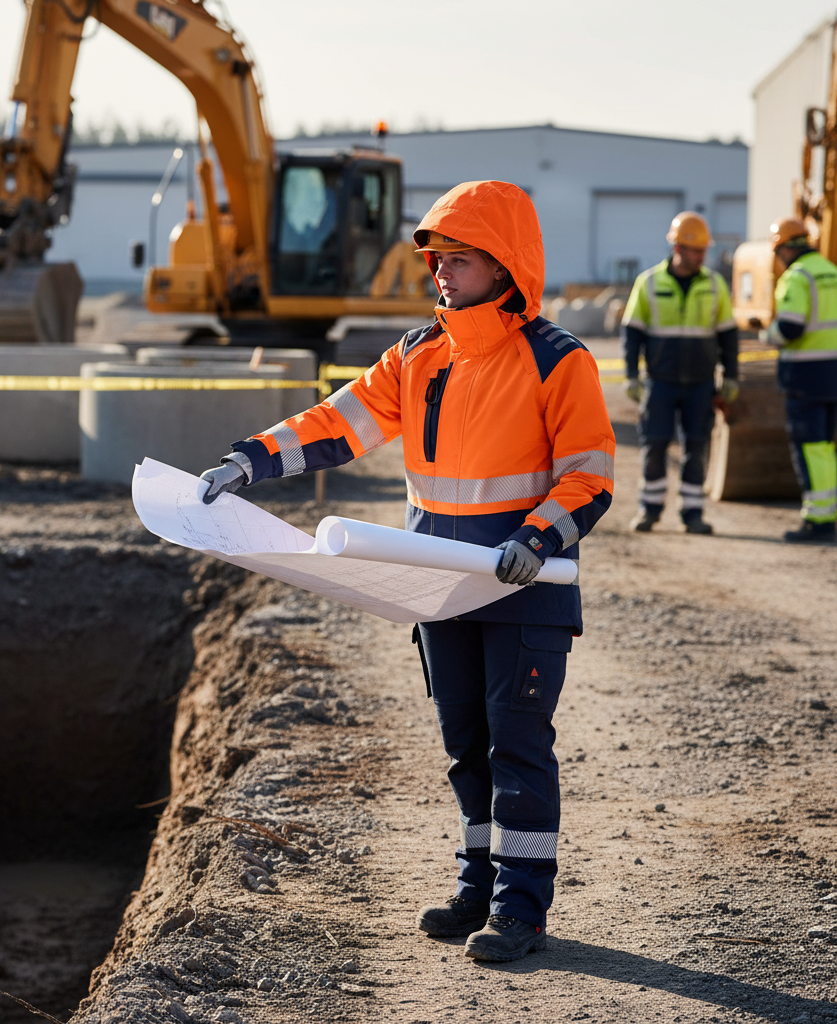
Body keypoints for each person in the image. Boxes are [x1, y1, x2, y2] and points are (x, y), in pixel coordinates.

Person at [199, 181, 615, 962]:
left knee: (518, 748)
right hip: (438, 589)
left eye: (459, 259)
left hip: (522, 589)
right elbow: (338, 423)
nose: (440, 273)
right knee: (466, 748)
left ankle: (520, 909)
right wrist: (249, 461)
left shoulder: (559, 359)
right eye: (437, 260)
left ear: (505, 266)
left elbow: (588, 475)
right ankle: (478, 886)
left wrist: (538, 538)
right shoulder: (419, 354)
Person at [621, 211, 739, 535]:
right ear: (677, 248)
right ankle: (649, 510)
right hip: (660, 382)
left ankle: (692, 514)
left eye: (703, 251)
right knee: (654, 445)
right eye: (695, 251)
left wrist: (730, 376)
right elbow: (632, 333)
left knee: (696, 449)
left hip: (700, 384)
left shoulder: (714, 284)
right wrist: (631, 375)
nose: (701, 257)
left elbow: (728, 335)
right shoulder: (648, 282)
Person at [766, 217, 837, 542]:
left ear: (783, 250)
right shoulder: (830, 270)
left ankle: (818, 519)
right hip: (831, 375)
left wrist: (768, 334)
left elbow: (790, 327)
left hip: (806, 378)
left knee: (810, 448)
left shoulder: (797, 276)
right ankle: (827, 514)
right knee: (824, 448)